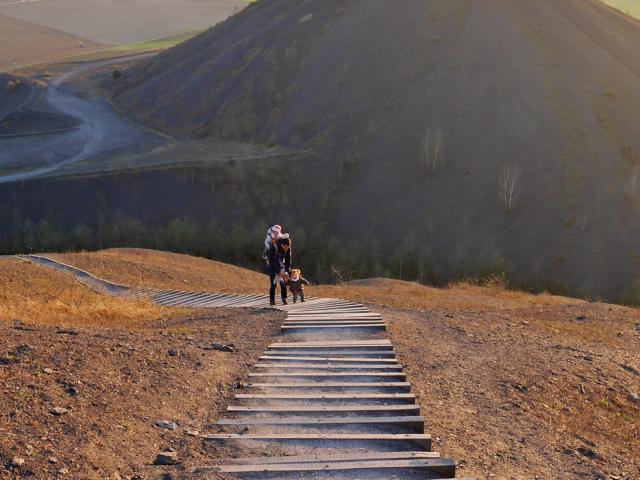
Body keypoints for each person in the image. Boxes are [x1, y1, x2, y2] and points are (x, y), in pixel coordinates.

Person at [266, 233, 291, 305]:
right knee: (274, 284)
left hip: (281, 266)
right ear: (282, 245)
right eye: (285, 247)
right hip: (271, 266)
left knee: (283, 283)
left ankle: (284, 298)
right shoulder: (274, 246)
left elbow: (288, 261)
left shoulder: (288, 248)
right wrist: (278, 271)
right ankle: (272, 300)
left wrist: (286, 272)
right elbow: (271, 261)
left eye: (287, 247)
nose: (286, 249)